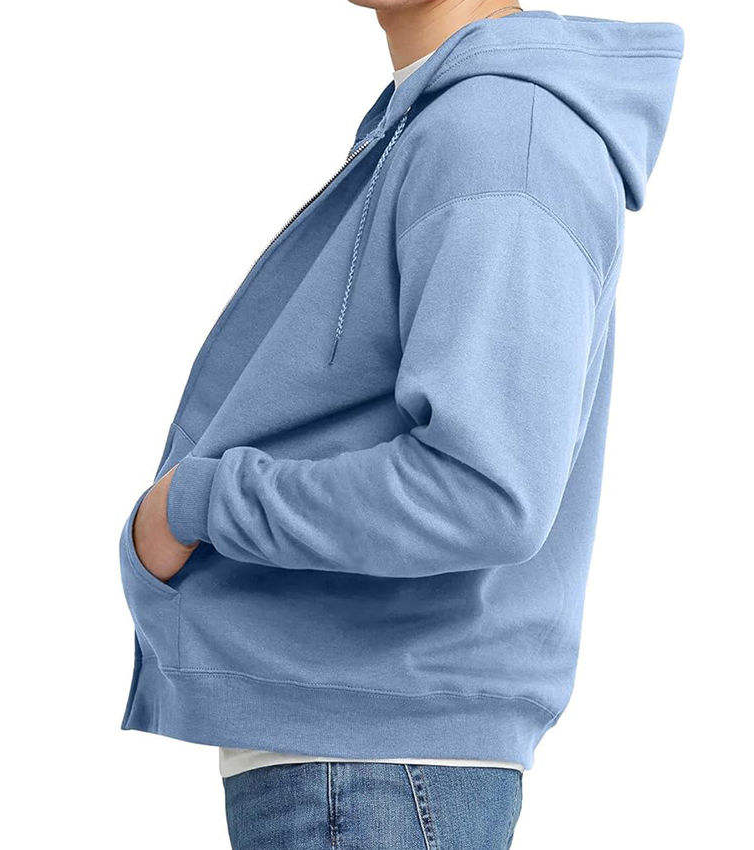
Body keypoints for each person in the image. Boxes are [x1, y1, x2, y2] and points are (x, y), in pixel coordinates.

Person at [120, 2, 682, 847]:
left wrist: (196, 504)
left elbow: (484, 492)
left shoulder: (501, 132)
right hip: (359, 758)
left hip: (370, 772)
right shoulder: (441, 120)